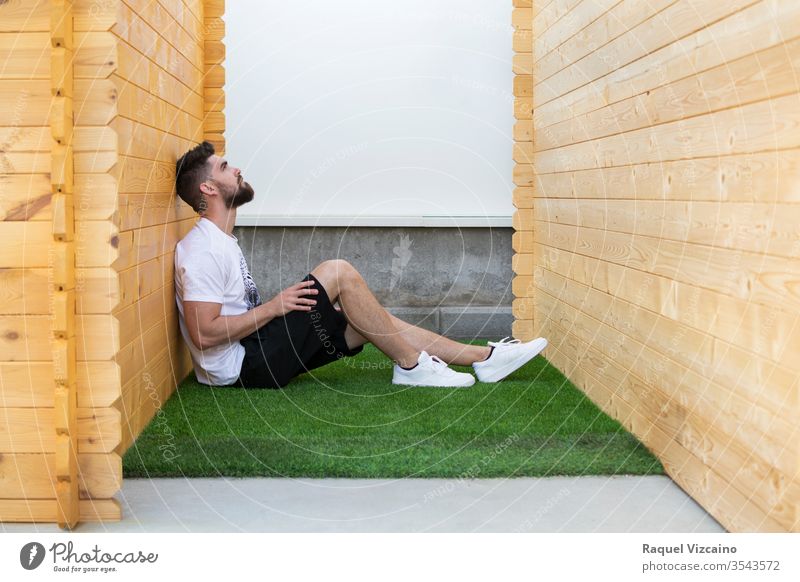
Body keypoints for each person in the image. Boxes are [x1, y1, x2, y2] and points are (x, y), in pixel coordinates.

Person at [173, 141, 548, 389]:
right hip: (242, 366)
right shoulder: (202, 250)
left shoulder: (221, 241)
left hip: (255, 347)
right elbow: (204, 334)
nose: (236, 169)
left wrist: (273, 312)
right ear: (207, 189)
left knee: (364, 318)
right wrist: (274, 307)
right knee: (338, 271)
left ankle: (485, 358)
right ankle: (412, 368)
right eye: (224, 167)